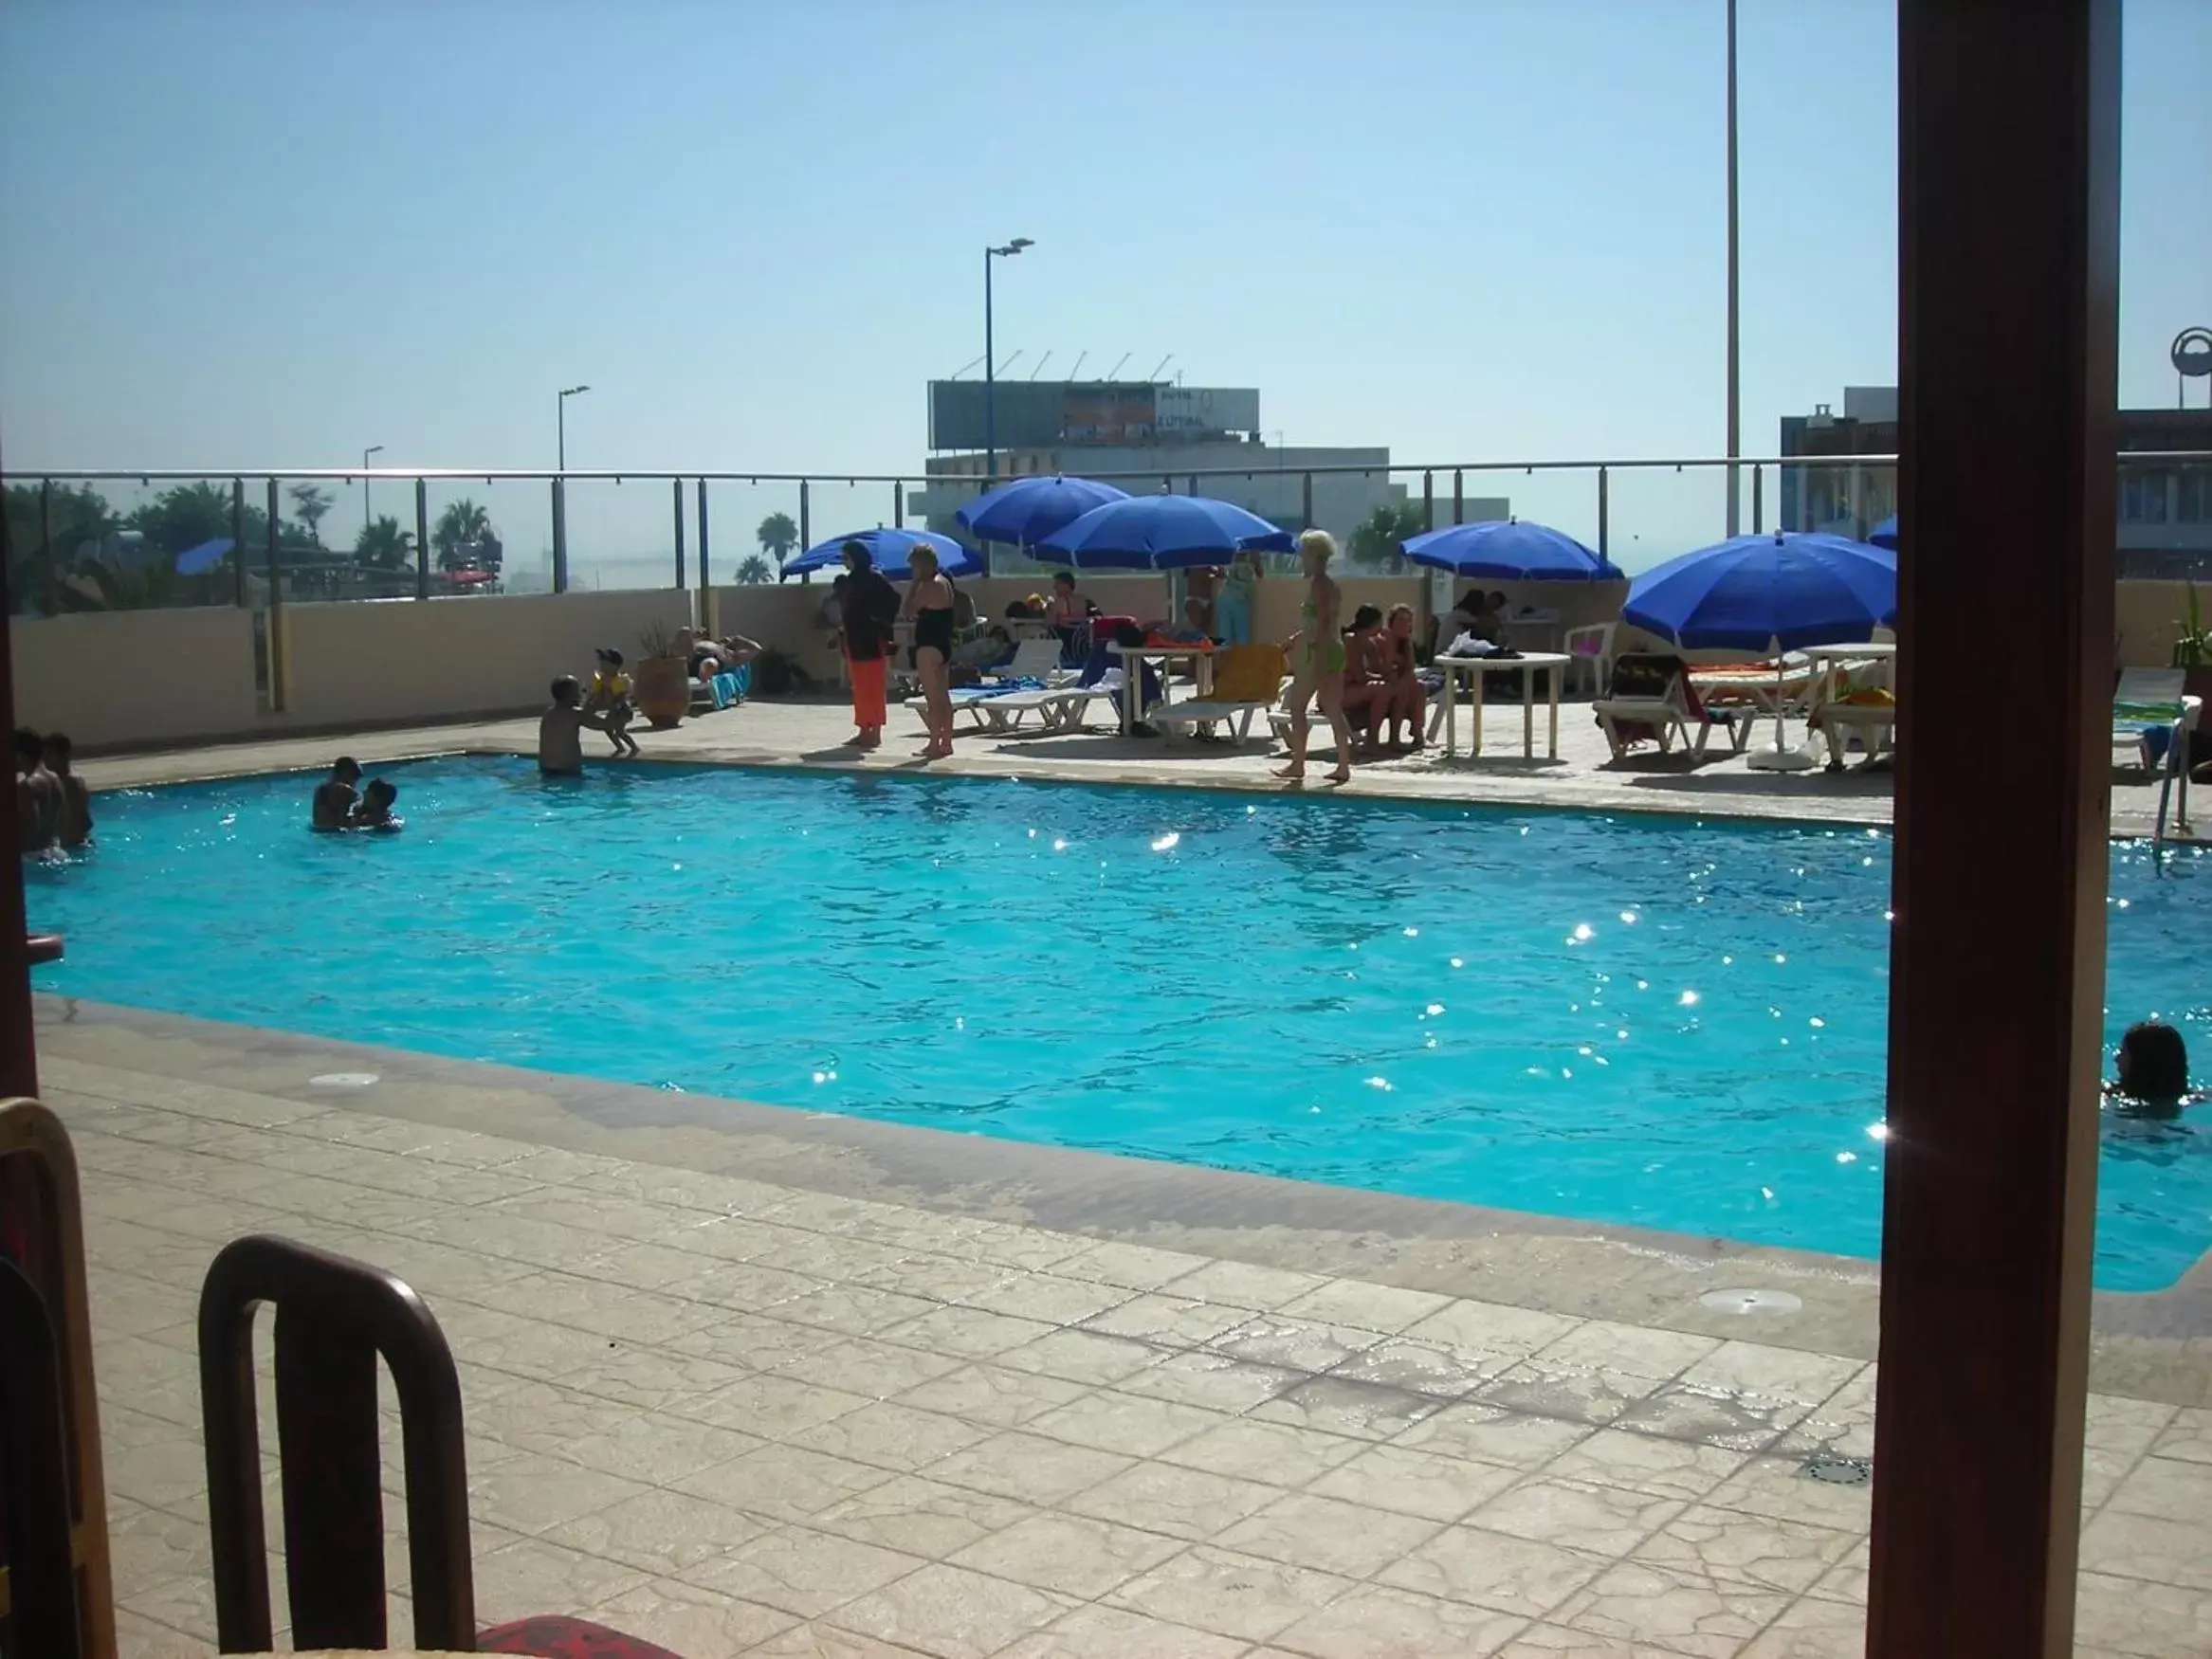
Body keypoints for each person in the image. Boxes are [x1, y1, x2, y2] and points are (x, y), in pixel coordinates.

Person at [1275, 530, 1357, 785]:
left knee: (1300, 708)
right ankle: (1340, 765)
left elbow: (1323, 622)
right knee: (1331, 710)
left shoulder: (1320, 584)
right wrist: (1296, 638)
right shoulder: (1326, 583)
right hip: (1326, 648)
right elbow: (1319, 622)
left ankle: (1300, 763)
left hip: (1320, 651)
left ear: (1314, 555)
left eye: (1304, 554)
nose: (1302, 559)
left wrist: (1319, 659)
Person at [840, 538, 902, 749]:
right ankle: (863, 728)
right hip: (854, 638)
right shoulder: (851, 581)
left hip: (871, 640)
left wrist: (877, 619)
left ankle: (875, 731)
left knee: (873, 687)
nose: (844, 562)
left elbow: (894, 600)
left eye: (846, 557)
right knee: (859, 688)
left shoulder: (875, 579)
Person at [904, 544, 959, 758]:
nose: (913, 572)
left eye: (914, 568)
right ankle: (946, 742)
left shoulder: (929, 586)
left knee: (932, 698)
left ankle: (935, 742)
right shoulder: (945, 582)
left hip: (928, 647)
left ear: (921, 566)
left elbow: (907, 610)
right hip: (943, 645)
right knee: (943, 696)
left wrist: (914, 585)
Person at [2108, 1021, 2193, 1117]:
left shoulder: (2111, 1097)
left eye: (2123, 1053)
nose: (2116, 1059)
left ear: (2139, 1063)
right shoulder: (2192, 1098)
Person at [1376, 604, 1428, 750]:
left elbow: (1410, 667)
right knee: (1407, 686)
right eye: (1400, 619)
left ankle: (1417, 731)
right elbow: (1386, 667)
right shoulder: (1385, 636)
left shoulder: (1405, 641)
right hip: (1381, 680)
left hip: (1398, 683)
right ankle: (1400, 736)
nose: (1405, 623)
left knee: (1420, 687)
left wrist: (1407, 642)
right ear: (1391, 621)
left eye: (1408, 620)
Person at [539, 676, 610, 776]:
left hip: (546, 769)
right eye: (577, 690)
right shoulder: (576, 714)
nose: (580, 694)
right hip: (568, 770)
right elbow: (605, 725)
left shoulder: (548, 713)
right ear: (569, 694)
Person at [42, 731, 93, 848]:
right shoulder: (62, 781)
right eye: (43, 754)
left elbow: (82, 822)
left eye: (50, 753)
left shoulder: (71, 782)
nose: (45, 759)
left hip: (75, 846)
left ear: (65, 754)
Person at [587, 648, 641, 757]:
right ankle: (620, 748)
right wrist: (590, 703)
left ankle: (634, 747)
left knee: (619, 731)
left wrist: (615, 704)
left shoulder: (620, 680)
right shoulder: (602, 680)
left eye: (605, 663)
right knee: (607, 728)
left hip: (623, 710)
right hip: (613, 710)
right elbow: (597, 695)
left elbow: (620, 697)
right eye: (601, 663)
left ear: (615, 666)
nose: (602, 666)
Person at [14, 728, 61, 854]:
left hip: (36, 857)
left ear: (21, 755)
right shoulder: (54, 778)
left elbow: (29, 830)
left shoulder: (27, 786)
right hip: (56, 851)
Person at [1216, 550, 1260, 647]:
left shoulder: (1227, 550)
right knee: (1242, 638)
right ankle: (1242, 661)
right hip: (1240, 599)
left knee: (1224, 639)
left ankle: (1224, 660)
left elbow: (1220, 573)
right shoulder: (1253, 553)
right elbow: (1260, 574)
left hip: (1225, 596)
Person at [311, 756, 363, 831]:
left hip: (318, 831)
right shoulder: (346, 791)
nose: (354, 785)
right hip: (337, 834)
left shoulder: (320, 789)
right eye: (354, 779)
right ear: (347, 774)